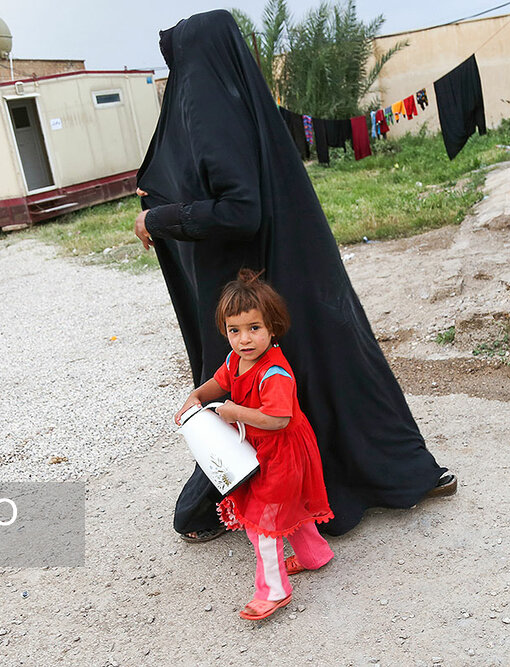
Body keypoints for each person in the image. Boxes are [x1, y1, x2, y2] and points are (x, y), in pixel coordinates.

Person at [135, 10, 456, 542]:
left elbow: (239, 209)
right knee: (332, 368)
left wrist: (158, 218)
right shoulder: (238, 100)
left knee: (269, 384)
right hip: (292, 270)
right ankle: (401, 473)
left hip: (253, 287)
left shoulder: (209, 108)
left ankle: (279, 500)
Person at [174, 270, 333, 620]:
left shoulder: (275, 373)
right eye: (235, 330)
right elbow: (217, 383)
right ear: (225, 330)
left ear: (272, 327)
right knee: (289, 510)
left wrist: (235, 412)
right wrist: (196, 396)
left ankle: (273, 591)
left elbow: (278, 420)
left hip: (283, 454)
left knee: (262, 526)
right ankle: (314, 556)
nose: (244, 339)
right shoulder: (236, 360)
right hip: (264, 453)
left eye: (254, 328)